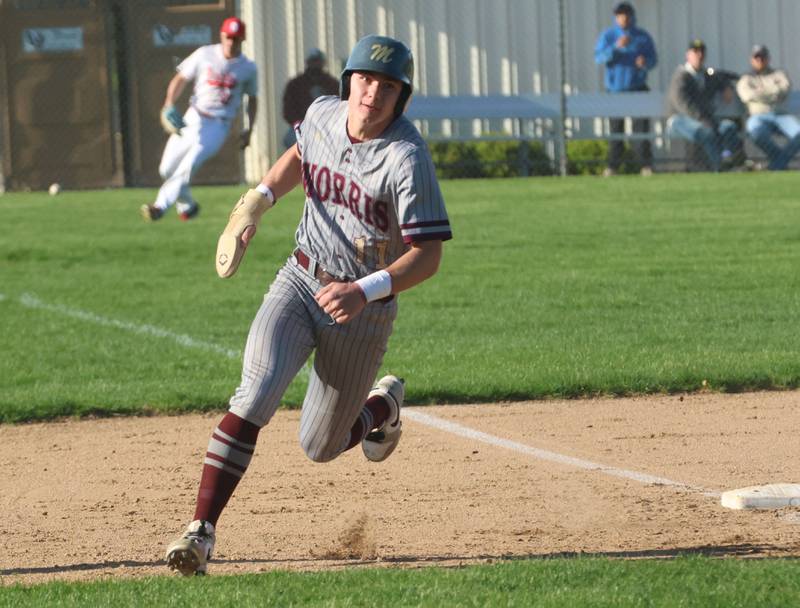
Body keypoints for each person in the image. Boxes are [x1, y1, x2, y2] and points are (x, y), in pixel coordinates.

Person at [164, 34, 452, 576]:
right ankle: (200, 532)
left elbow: (429, 254)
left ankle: (381, 409)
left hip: (362, 308)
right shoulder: (322, 112)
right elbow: (301, 156)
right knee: (255, 393)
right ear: (349, 83)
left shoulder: (405, 157)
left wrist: (365, 291)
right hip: (299, 278)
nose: (373, 93)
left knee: (319, 445)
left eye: (388, 86)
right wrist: (255, 203)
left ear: (401, 97)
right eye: (366, 79)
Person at [141, 17, 258, 222]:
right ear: (222, 36)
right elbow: (180, 78)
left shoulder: (248, 68)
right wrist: (169, 103)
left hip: (218, 124)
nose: (232, 42)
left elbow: (252, 99)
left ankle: (159, 207)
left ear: (243, 40)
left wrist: (249, 129)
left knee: (189, 164)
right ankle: (188, 205)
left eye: (236, 39)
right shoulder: (205, 54)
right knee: (166, 168)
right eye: (229, 37)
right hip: (193, 117)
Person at [593, 1, 657, 176]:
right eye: (620, 15)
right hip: (615, 90)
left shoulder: (642, 37)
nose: (624, 19)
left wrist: (645, 63)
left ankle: (645, 166)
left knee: (641, 130)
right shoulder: (609, 36)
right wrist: (616, 48)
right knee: (616, 131)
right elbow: (599, 58)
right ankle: (613, 166)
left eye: (627, 15)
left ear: (632, 16)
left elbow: (653, 60)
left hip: (637, 88)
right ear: (616, 17)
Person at [666, 39, 743, 172]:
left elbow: (722, 75)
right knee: (706, 133)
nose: (699, 55)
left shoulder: (707, 74)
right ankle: (720, 166)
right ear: (688, 55)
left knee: (728, 127)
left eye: (702, 52)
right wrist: (701, 118)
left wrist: (726, 86)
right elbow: (682, 104)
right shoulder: (681, 76)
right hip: (679, 120)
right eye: (695, 52)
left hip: (705, 120)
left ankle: (731, 159)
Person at [736, 44, 800, 171]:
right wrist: (773, 92)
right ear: (752, 60)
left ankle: (777, 164)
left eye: (762, 57)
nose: (760, 60)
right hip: (758, 116)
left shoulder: (779, 74)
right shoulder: (746, 78)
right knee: (756, 133)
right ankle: (780, 163)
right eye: (757, 58)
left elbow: (785, 89)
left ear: (768, 58)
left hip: (781, 115)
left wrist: (760, 93)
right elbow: (747, 96)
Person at [280, 48, 339, 149]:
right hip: (302, 126)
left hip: (328, 127)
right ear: (307, 62)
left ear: (323, 63)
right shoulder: (295, 84)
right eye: (312, 61)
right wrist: (300, 124)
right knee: (290, 140)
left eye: (317, 61)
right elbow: (288, 110)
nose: (315, 64)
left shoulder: (332, 84)